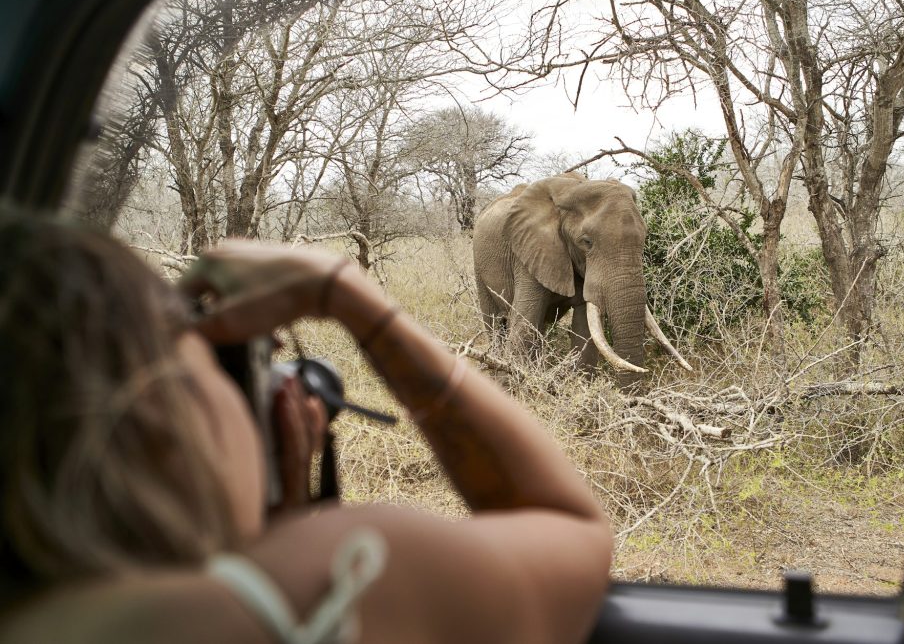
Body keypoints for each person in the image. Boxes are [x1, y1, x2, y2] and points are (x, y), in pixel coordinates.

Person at [0, 211, 613, 643]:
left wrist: (270, 521)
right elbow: (572, 528)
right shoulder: (335, 581)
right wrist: (349, 297)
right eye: (224, 373)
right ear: (159, 417)